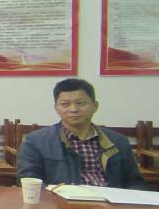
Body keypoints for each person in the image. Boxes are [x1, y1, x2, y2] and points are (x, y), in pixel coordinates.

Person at [18, 77, 147, 189]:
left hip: (110, 205)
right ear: (56, 108)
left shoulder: (118, 141)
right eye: (65, 104)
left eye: (81, 103)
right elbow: (28, 181)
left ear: (95, 106)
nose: (73, 109)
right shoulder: (35, 142)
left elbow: (135, 182)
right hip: (61, 205)